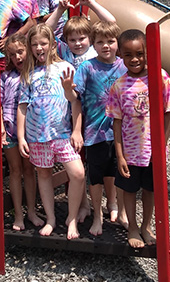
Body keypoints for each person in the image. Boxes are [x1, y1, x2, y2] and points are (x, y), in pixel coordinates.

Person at [106, 29, 170, 248]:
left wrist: (160, 147)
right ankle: (132, 227)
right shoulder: (118, 86)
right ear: (121, 56)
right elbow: (116, 121)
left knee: (150, 189)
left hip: (153, 151)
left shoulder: (160, 77)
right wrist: (120, 155)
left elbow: (168, 113)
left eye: (139, 53)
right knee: (129, 189)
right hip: (130, 151)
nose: (134, 59)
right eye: (128, 55)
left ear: (148, 53)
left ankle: (146, 225)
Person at [17, 24, 85, 240]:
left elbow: (75, 102)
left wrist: (77, 130)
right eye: (35, 44)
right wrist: (20, 137)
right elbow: (22, 106)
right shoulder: (28, 73)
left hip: (63, 133)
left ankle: (72, 218)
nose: (39, 48)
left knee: (78, 173)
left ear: (52, 45)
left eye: (43, 43)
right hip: (37, 136)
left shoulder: (65, 67)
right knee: (44, 174)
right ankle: (51, 218)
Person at [62, 21, 128, 236]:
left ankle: (121, 210)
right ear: (94, 44)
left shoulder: (125, 66)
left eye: (110, 41)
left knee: (119, 173)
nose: (106, 46)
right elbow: (75, 98)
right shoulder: (87, 67)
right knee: (96, 176)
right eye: (100, 42)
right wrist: (67, 89)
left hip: (121, 133)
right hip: (95, 132)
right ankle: (97, 215)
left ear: (117, 43)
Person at [1, 33, 44, 231]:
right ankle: (18, 214)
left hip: (31, 131)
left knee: (29, 170)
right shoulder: (6, 77)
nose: (17, 57)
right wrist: (1, 128)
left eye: (20, 52)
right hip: (10, 130)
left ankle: (32, 211)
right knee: (15, 170)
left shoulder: (36, 74)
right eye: (12, 55)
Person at [46, 0, 116, 70]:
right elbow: (45, 32)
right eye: (72, 40)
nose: (77, 43)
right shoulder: (64, 51)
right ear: (66, 40)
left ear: (90, 37)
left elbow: (111, 22)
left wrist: (90, 3)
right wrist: (59, 10)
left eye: (81, 39)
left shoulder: (96, 49)